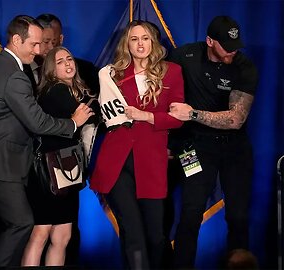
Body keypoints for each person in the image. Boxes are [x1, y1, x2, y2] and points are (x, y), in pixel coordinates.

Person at [0, 15, 93, 269]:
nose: (37, 50)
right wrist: (73, 123)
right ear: (16, 40)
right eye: (33, 44)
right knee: (21, 224)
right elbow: (38, 123)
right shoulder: (16, 76)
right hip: (1, 165)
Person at [90, 20, 184, 269]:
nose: (140, 44)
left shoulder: (171, 71)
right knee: (132, 233)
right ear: (127, 44)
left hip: (151, 161)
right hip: (118, 161)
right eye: (134, 39)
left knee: (155, 236)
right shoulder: (111, 74)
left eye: (145, 38)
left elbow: (178, 118)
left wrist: (149, 116)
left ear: (153, 41)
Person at [167, 15, 258, 268]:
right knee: (190, 212)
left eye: (236, 46)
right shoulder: (183, 57)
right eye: (227, 47)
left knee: (238, 216)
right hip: (193, 147)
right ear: (209, 41)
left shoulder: (245, 67)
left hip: (235, 147)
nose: (232, 52)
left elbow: (236, 119)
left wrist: (193, 114)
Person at [21, 46, 97, 267]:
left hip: (67, 171)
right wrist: (85, 113)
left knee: (62, 236)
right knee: (41, 233)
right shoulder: (55, 90)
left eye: (69, 59)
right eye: (60, 61)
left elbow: (88, 114)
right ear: (51, 70)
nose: (68, 64)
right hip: (48, 172)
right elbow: (90, 116)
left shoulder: (74, 91)